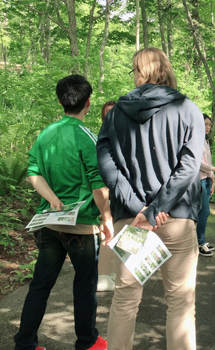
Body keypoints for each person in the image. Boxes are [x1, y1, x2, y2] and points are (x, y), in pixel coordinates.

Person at [96, 47, 204, 350]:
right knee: (181, 301)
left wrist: (137, 206)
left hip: (134, 221)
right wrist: (159, 206)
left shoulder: (116, 113)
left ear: (138, 72)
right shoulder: (188, 109)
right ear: (165, 69)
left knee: (126, 297)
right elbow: (190, 166)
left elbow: (106, 163)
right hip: (176, 219)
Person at [14, 75, 112, 350]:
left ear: (60, 101)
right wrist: (107, 219)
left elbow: (33, 172)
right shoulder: (87, 137)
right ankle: (87, 342)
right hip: (81, 226)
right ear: (88, 103)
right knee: (84, 285)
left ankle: (25, 343)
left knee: (40, 284)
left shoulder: (46, 134)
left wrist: (53, 200)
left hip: (49, 224)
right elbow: (98, 185)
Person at [198, 114, 215, 257]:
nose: (207, 127)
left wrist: (213, 178)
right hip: (200, 180)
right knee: (204, 211)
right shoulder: (195, 141)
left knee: (204, 211)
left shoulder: (205, 141)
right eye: (205, 124)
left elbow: (208, 159)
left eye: (209, 124)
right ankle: (199, 242)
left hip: (207, 179)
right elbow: (199, 164)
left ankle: (201, 240)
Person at [97, 101, 117, 292]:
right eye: (107, 114)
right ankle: (103, 276)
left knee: (124, 232)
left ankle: (117, 273)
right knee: (107, 231)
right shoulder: (100, 138)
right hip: (104, 192)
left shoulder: (127, 135)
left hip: (123, 194)